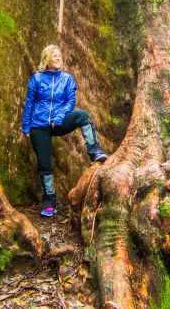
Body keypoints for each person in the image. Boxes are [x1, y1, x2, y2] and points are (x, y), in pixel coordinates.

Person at [21, 44, 108, 217]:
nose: (58, 58)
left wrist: (59, 117)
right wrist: (26, 127)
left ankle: (95, 150)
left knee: (83, 116)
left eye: (60, 55)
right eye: (54, 55)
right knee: (44, 164)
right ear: (46, 59)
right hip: (39, 124)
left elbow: (70, 101)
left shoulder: (67, 79)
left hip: (59, 122)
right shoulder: (37, 78)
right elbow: (29, 103)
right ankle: (49, 200)